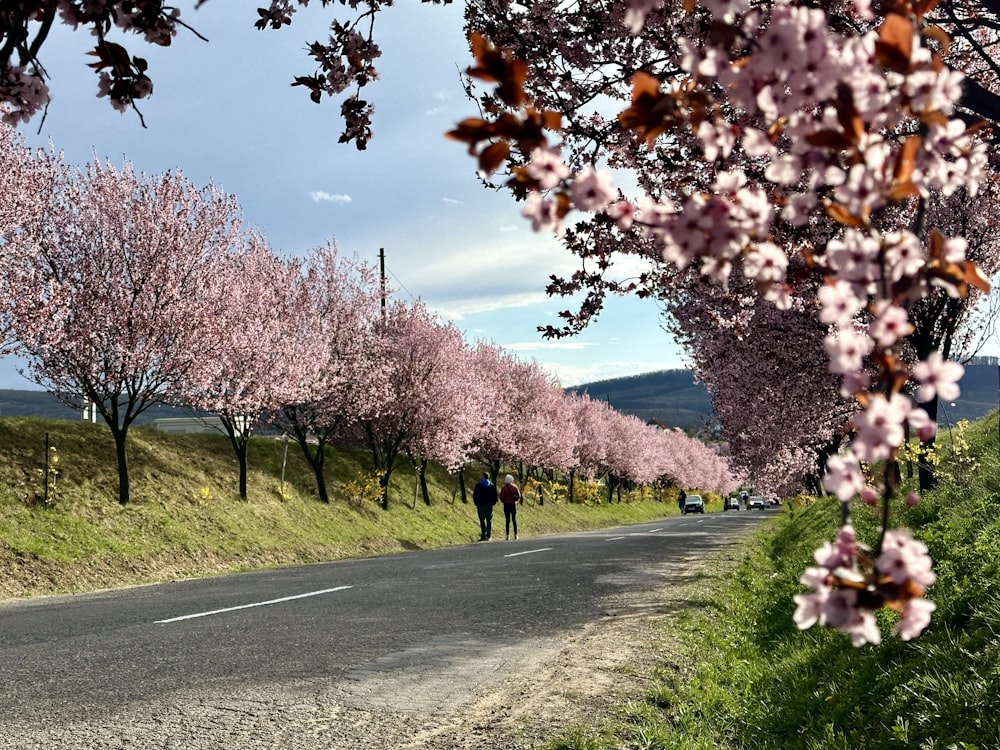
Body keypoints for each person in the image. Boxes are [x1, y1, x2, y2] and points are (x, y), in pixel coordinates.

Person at [472, 472, 498, 541]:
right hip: (489, 505)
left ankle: (483, 535)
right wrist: (493, 503)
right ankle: (489, 535)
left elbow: (475, 495)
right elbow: (495, 495)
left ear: (483, 477)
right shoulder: (492, 485)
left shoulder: (478, 485)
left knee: (482, 520)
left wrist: (476, 503)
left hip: (481, 505)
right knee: (489, 520)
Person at [499, 474, 522, 540]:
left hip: (506, 505)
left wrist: (504, 501)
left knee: (507, 520)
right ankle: (515, 534)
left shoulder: (503, 488)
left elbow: (501, 497)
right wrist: (516, 500)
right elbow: (519, 495)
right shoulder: (514, 487)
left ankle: (507, 535)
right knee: (514, 520)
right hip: (513, 504)